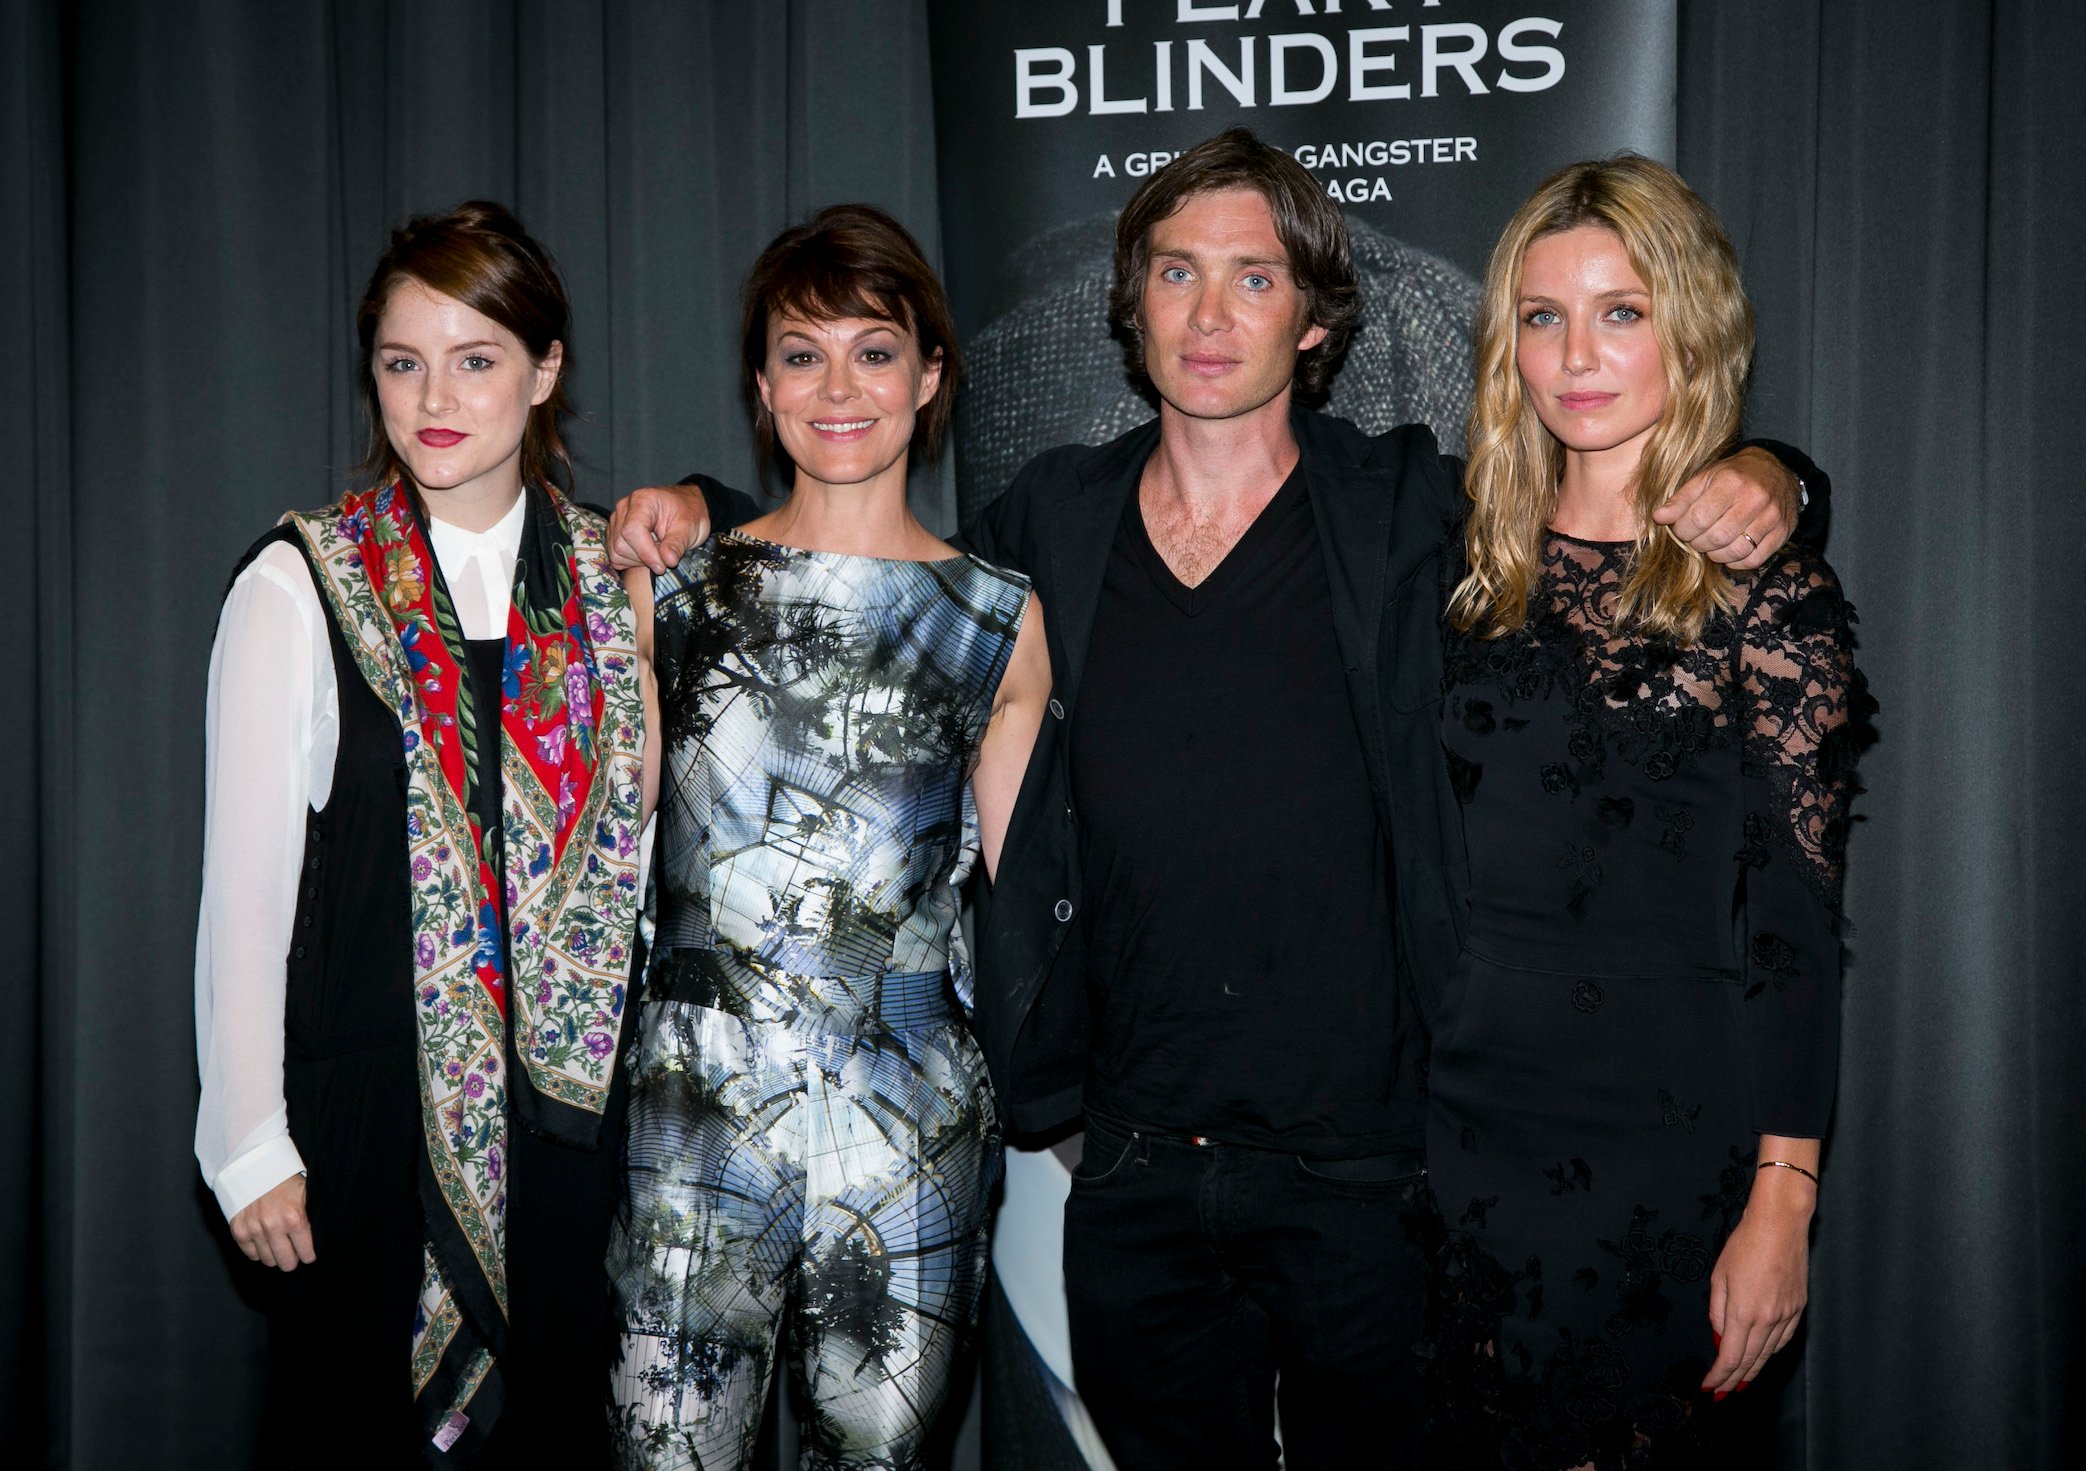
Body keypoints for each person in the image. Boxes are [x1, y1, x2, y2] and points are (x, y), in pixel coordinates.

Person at [603, 130, 1821, 1468]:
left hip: (1370, 1178)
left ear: (1312, 317)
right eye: (1176, 273)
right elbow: (873, 550)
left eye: (1252, 278)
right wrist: (702, 506)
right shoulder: (1048, 524)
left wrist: (1776, 477)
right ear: (1132, 305)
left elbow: (1604, 487)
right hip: (1133, 1167)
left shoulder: (1406, 508)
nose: (1208, 312)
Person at [1421, 155, 1871, 1467]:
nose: (1576, 353)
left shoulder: (1765, 600)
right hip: (1444, 1155)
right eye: (1543, 314)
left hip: (1664, 1161)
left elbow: (1795, 922)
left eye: (1620, 310)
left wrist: (1781, 1199)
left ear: (1690, 324)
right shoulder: (1452, 566)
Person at [194, 202, 647, 1464]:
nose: (434, 397)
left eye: (477, 357)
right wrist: (245, 1138)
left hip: (568, 1140)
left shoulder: (615, 588)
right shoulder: (300, 584)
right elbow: (243, 896)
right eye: (403, 361)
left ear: (545, 368)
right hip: (364, 1136)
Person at [605, 204, 1050, 1470]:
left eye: (874, 349)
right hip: (690, 1110)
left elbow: (1021, 918)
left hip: (910, 1121)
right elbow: (597, 848)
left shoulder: (998, 619)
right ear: (761, 386)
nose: (839, 385)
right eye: (802, 353)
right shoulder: (675, 586)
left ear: (930, 376)